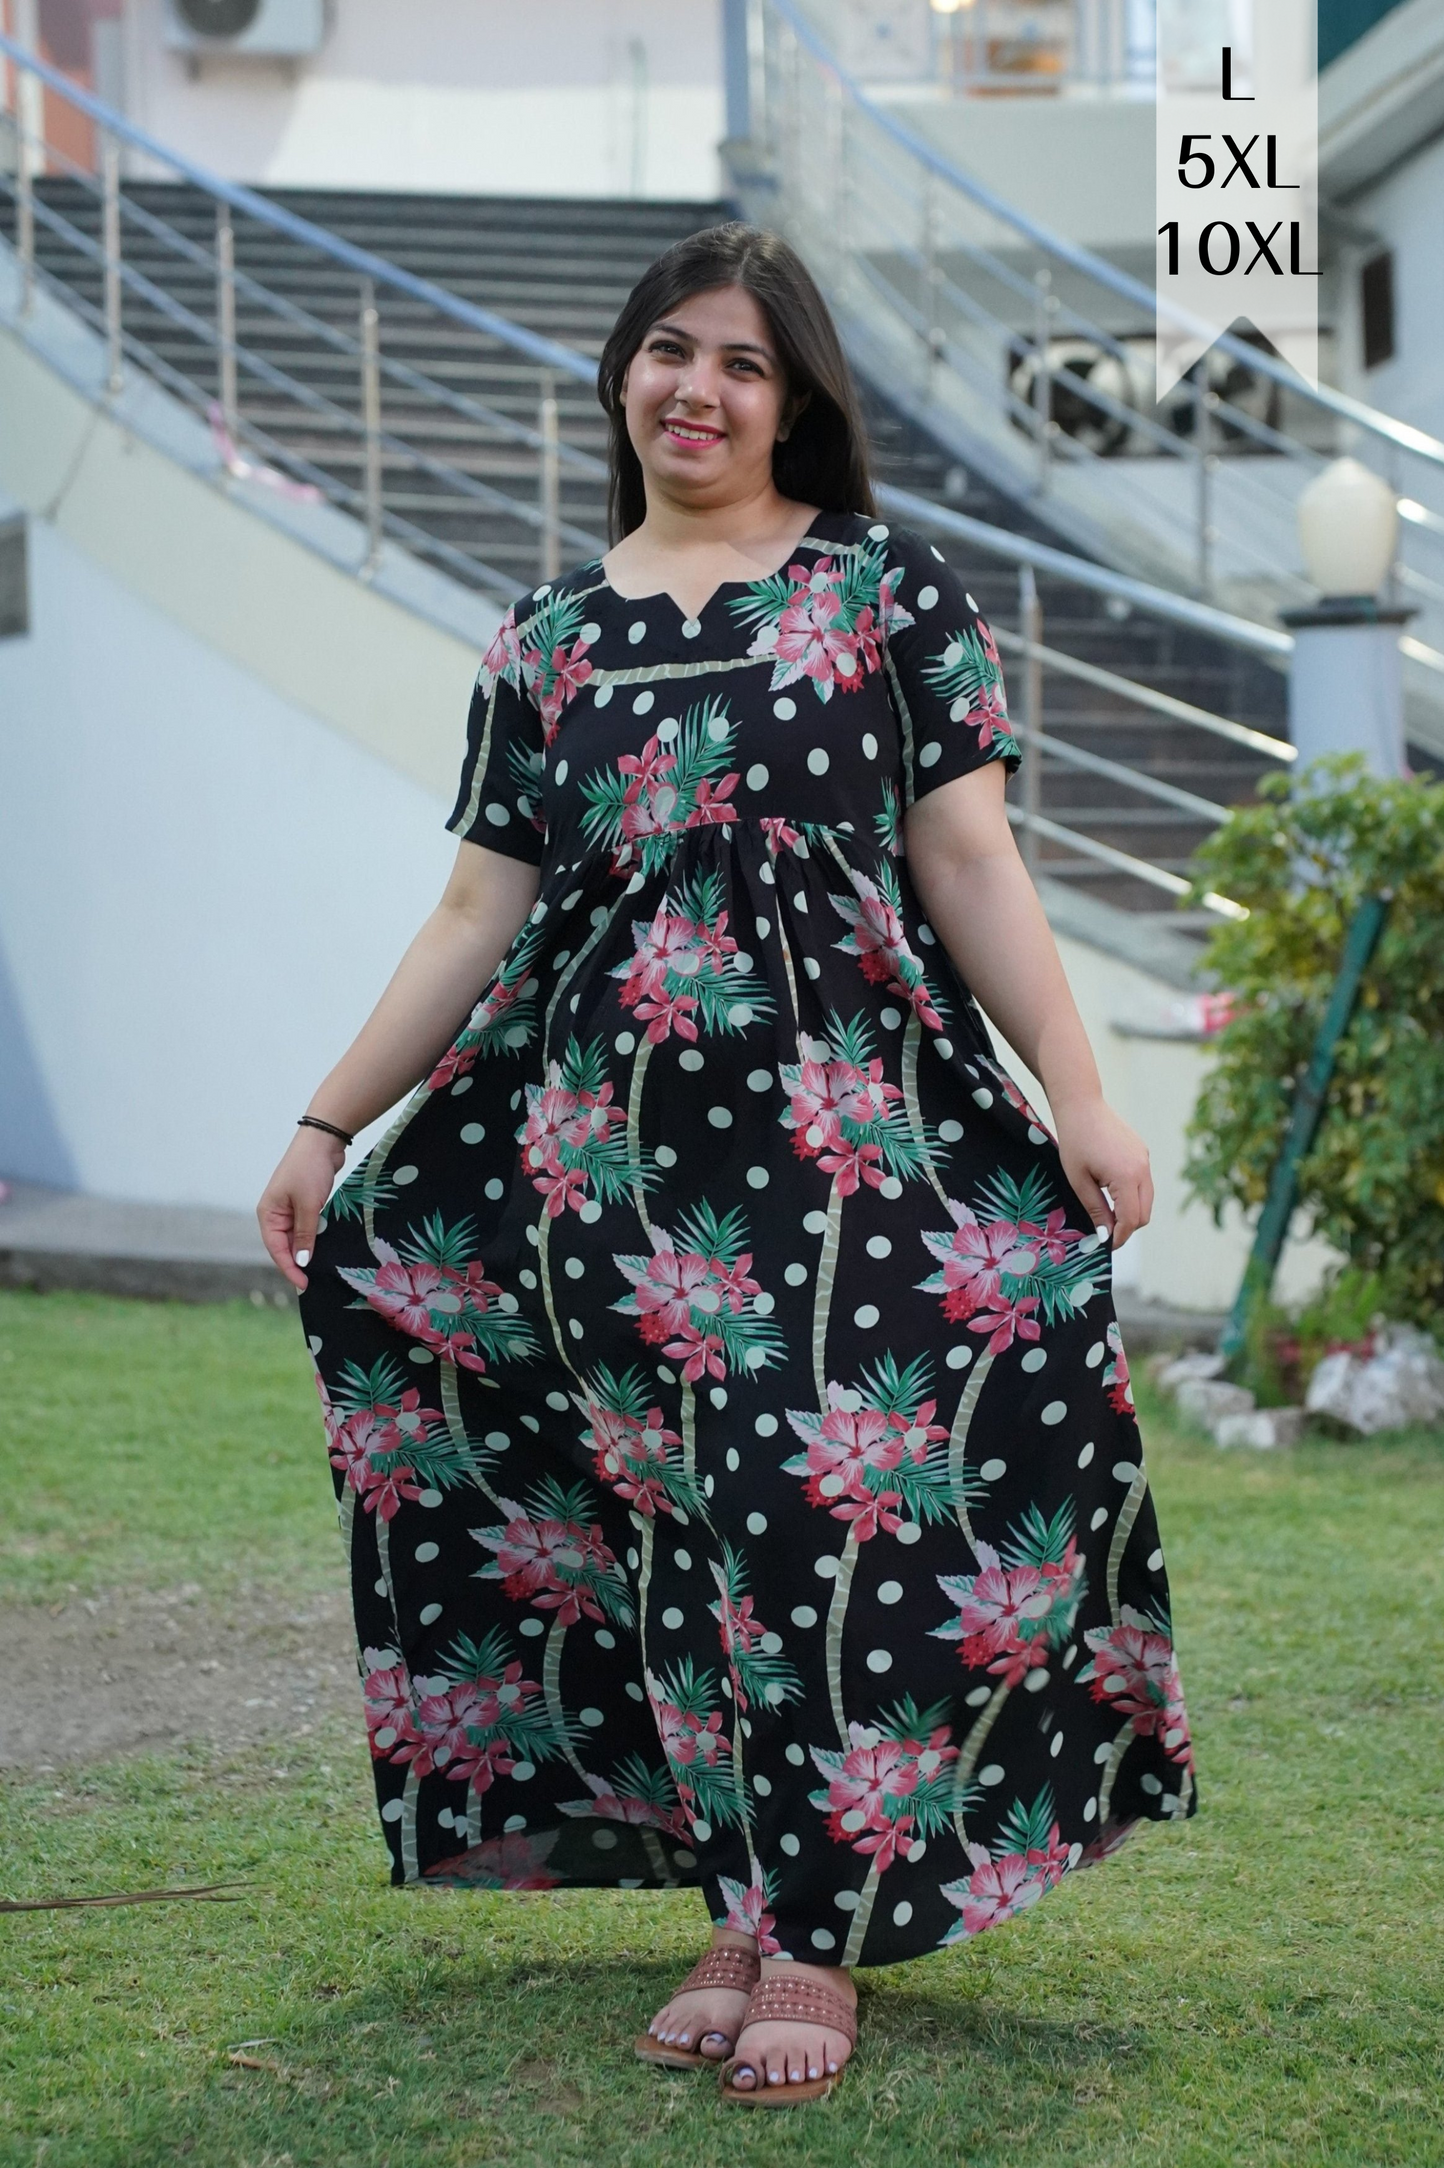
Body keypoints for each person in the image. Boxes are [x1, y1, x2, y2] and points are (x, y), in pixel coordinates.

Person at [257, 221, 1195, 2108]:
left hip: (856, 1141)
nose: (700, 387)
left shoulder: (886, 593)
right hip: (603, 1165)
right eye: (671, 350)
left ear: (799, 404)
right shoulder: (545, 637)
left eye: (745, 364)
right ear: (622, 373)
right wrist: (326, 1121)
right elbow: (474, 911)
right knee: (676, 1531)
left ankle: (819, 1934)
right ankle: (748, 1898)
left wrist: (1079, 1090)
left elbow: (970, 861)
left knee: (814, 1507)